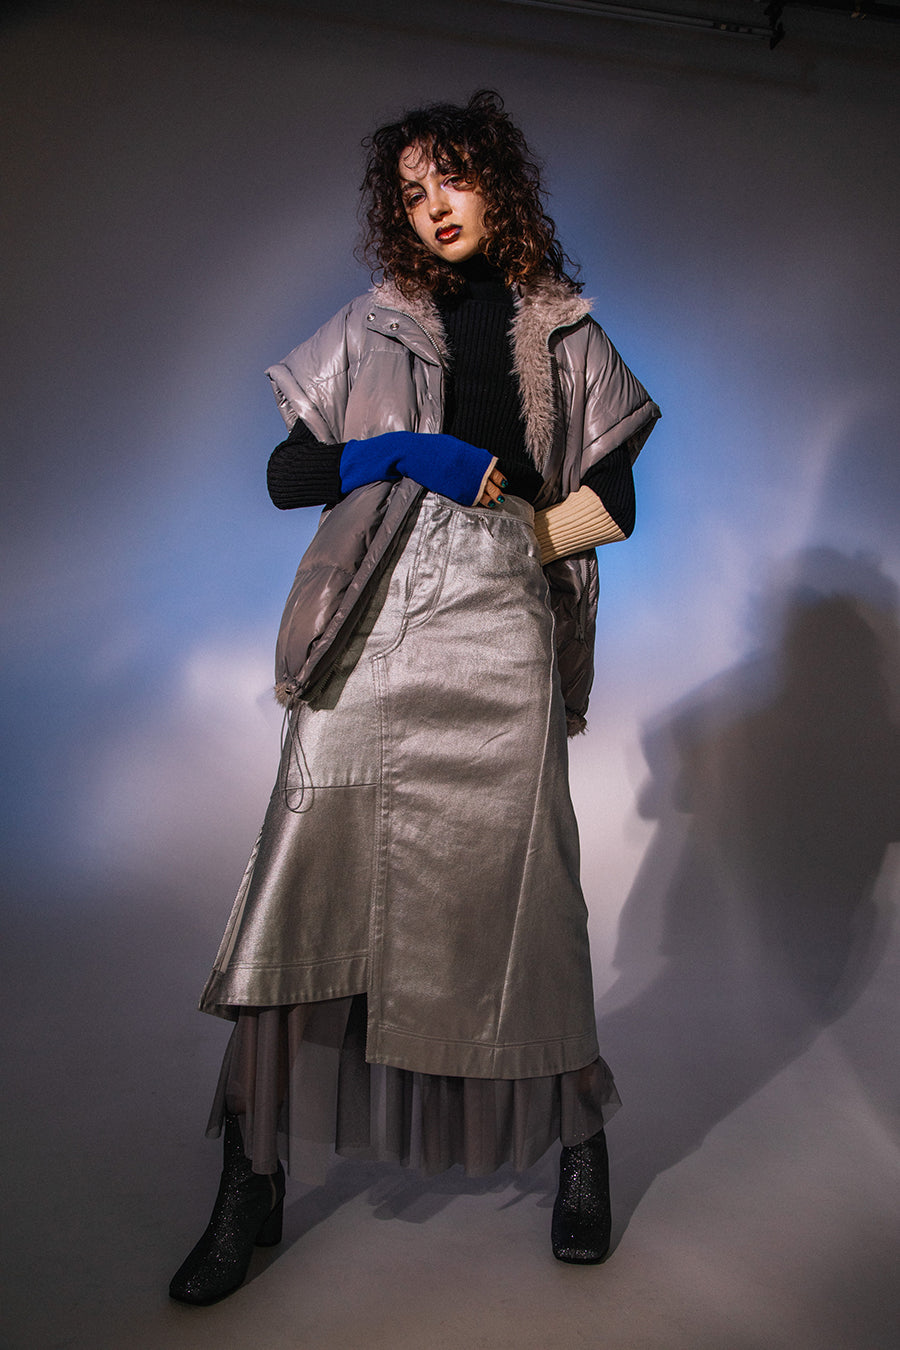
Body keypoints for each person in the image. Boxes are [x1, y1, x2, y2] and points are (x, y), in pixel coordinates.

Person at [169, 89, 660, 1306]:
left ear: (499, 183)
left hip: (499, 628)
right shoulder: (372, 323)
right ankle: (249, 1178)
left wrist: (508, 542)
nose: (435, 206)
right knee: (303, 891)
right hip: (371, 625)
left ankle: (581, 1150)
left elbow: (615, 504)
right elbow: (287, 471)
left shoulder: (569, 332)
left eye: (453, 178)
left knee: (528, 895)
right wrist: (397, 454)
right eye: (411, 191)